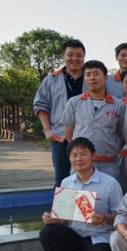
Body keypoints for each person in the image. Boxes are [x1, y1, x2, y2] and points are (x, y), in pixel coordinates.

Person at [39, 137, 122, 251]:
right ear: (69, 158)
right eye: (74, 155)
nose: (79, 159)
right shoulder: (66, 183)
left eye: (83, 154)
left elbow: (121, 216)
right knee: (47, 232)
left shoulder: (110, 183)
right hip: (75, 236)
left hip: (100, 238)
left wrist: (104, 219)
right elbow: (63, 219)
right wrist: (52, 218)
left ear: (93, 156)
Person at [34, 39, 87, 186]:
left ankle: (84, 203)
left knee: (86, 177)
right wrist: (47, 130)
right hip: (60, 136)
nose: (74, 59)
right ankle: (61, 202)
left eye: (79, 55)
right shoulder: (52, 79)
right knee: (62, 179)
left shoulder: (91, 78)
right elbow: (41, 104)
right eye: (70, 55)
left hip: (86, 135)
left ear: (84, 57)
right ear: (63, 56)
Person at [62, 60, 125, 179]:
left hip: (108, 164)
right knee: (79, 191)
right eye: (88, 74)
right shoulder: (74, 103)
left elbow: (122, 135)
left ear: (105, 77)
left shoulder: (119, 105)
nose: (92, 78)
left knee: (108, 191)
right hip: (81, 164)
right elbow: (68, 132)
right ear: (84, 78)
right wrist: (81, 151)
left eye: (96, 74)